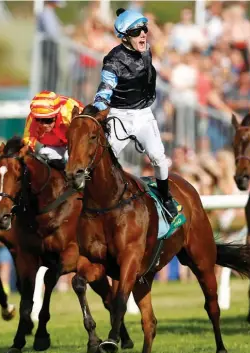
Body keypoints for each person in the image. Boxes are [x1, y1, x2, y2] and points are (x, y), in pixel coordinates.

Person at [92, 8, 178, 220]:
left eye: (144, 29)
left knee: (159, 158)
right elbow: (104, 90)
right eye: (137, 31)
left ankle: (165, 197)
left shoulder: (146, 48)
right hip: (119, 116)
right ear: (123, 37)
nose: (143, 34)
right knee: (100, 162)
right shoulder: (112, 61)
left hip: (143, 114)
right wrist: (99, 105)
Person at [23, 90, 84, 165]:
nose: (44, 125)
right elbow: (27, 146)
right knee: (42, 155)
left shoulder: (68, 114)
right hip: (55, 146)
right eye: (38, 120)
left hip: (76, 144)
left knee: (68, 157)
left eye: (48, 120)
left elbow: (84, 140)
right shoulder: (32, 119)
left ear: (57, 114)